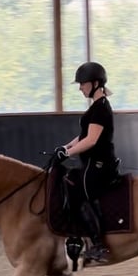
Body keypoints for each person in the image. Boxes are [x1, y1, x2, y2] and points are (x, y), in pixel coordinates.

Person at [52, 61, 119, 264]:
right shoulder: (96, 108)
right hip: (92, 164)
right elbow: (83, 136)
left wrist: (68, 154)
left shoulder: (100, 108)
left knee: (78, 192)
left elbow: (91, 141)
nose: (80, 87)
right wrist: (64, 148)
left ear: (96, 83)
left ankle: (99, 245)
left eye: (82, 83)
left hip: (99, 166)